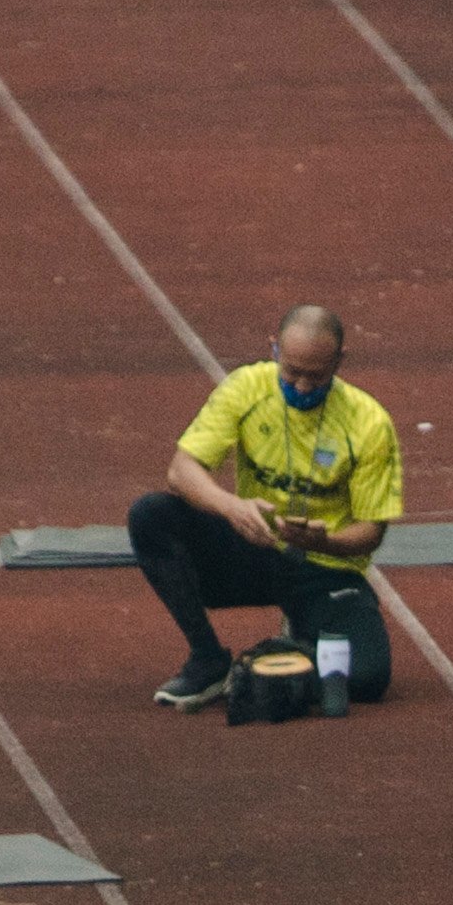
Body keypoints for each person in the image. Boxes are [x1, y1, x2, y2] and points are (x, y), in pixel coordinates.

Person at [129, 305, 398, 713]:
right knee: (151, 515)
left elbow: (371, 532)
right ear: (273, 349)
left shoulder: (369, 423)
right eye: (292, 372)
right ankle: (208, 659)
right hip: (251, 548)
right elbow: (182, 471)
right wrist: (232, 507)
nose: (303, 386)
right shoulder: (246, 389)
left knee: (365, 679)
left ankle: (291, 648)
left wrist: (325, 539)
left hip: (322, 567)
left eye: (317, 376)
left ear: (340, 363)